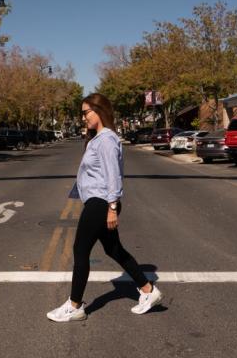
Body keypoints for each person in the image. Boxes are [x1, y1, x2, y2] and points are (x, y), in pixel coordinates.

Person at [46, 93, 163, 322]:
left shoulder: (107, 139)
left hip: (101, 203)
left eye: (86, 112)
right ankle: (148, 290)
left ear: (99, 111)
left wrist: (111, 207)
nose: (83, 117)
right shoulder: (98, 138)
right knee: (114, 249)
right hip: (98, 201)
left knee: (80, 251)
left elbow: (113, 176)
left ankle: (75, 305)